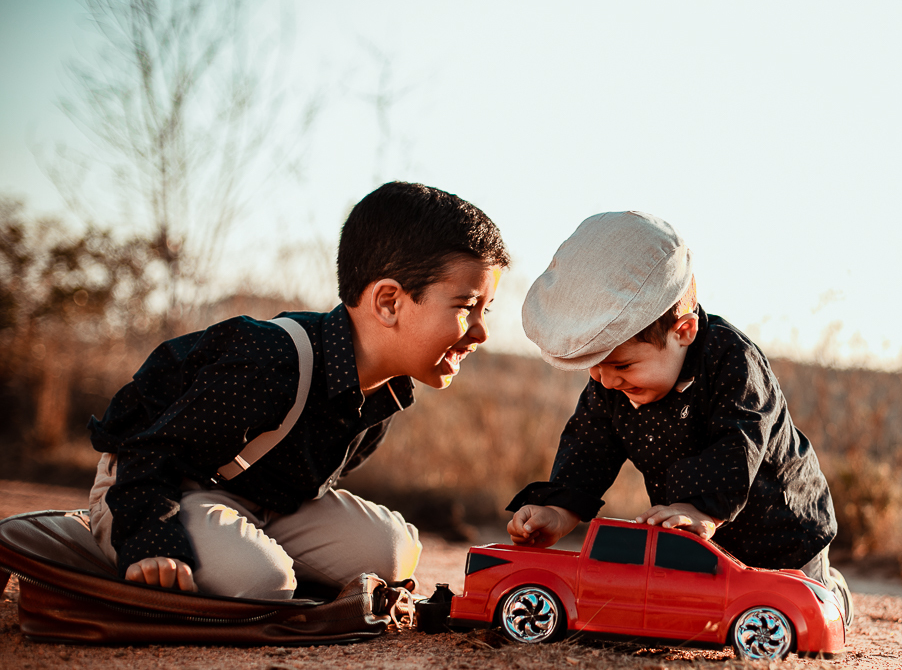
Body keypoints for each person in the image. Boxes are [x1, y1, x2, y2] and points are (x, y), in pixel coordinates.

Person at [88, 182, 509, 599]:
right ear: (388, 303)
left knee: (393, 552)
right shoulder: (270, 361)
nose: (482, 332)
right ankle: (81, 537)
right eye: (465, 307)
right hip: (153, 486)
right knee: (261, 582)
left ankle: (251, 563)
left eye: (485, 310)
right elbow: (150, 450)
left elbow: (316, 487)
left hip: (262, 503)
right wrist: (152, 542)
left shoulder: (387, 391)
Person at [505, 211, 852, 624]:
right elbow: (589, 444)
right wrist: (560, 509)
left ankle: (833, 591)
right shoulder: (612, 383)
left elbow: (739, 438)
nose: (606, 380)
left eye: (622, 365)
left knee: (803, 610)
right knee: (705, 611)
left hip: (782, 529)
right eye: (594, 367)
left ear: (683, 331)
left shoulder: (731, 361)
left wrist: (701, 507)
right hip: (698, 537)